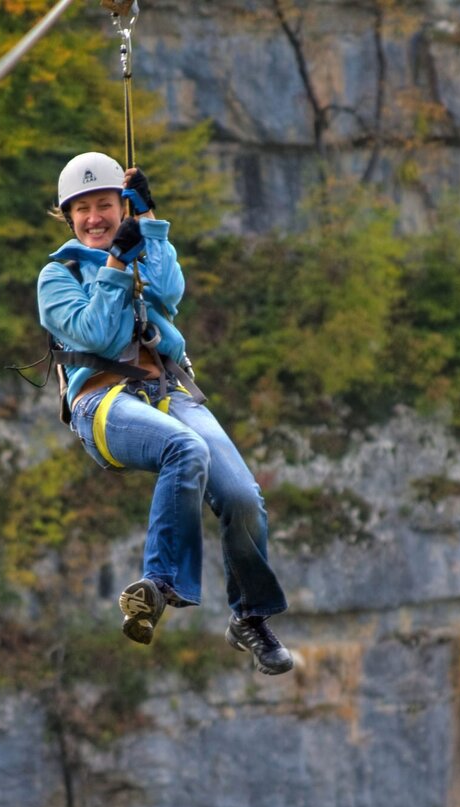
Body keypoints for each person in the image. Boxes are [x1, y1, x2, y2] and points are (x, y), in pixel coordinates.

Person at [37, 151, 293, 675]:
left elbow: (170, 293)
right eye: (82, 209)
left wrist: (149, 226)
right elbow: (100, 337)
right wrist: (113, 267)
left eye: (105, 204)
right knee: (185, 448)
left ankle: (250, 616)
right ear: (68, 217)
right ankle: (160, 584)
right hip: (101, 402)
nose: (94, 218)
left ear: (121, 205)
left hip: (165, 389)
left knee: (243, 497)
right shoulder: (57, 276)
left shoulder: (135, 245)